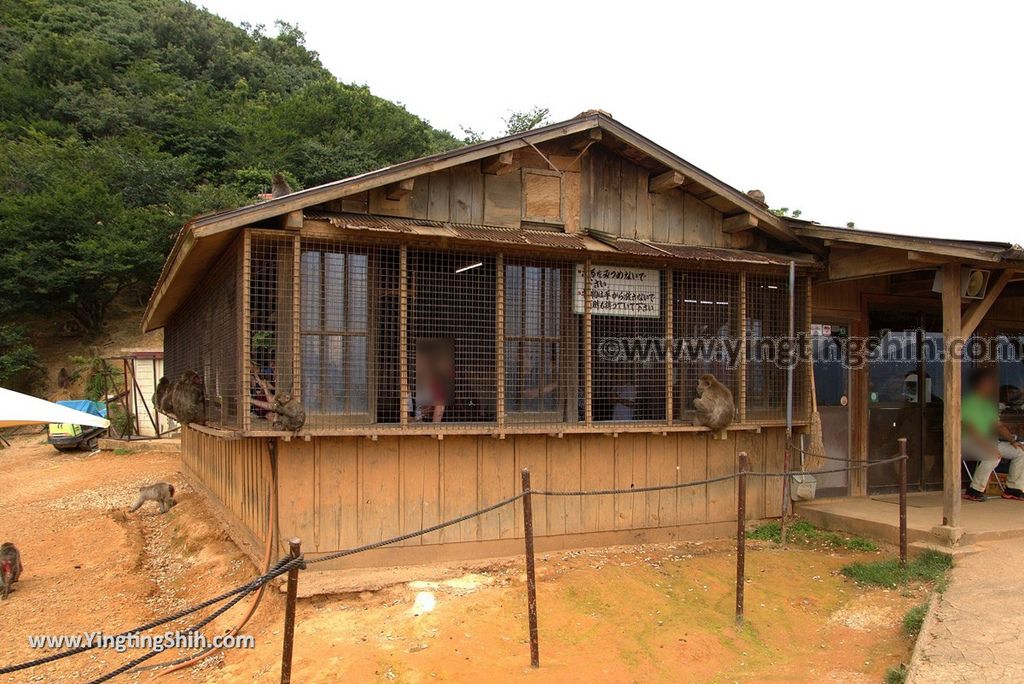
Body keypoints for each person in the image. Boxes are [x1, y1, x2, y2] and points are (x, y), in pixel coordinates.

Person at [962, 367, 1024, 501]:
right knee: (992, 455)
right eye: (987, 383)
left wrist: (1012, 441)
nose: (990, 386)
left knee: (1020, 451)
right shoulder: (968, 402)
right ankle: (974, 490)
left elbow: (998, 426)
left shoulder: (988, 405)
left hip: (989, 441)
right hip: (968, 442)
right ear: (978, 384)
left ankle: (1013, 489)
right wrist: (988, 446)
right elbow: (971, 430)